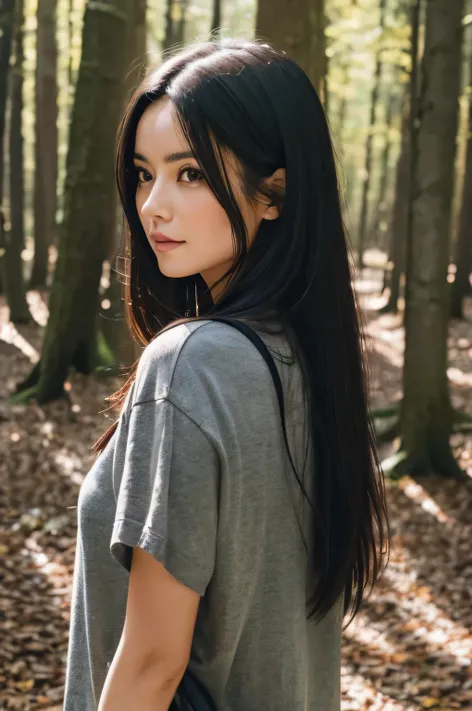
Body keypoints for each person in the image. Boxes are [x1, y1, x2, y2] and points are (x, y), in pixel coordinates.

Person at [63, 37, 390, 711]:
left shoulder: (191, 364)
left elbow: (152, 662)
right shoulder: (304, 360)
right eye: (143, 173)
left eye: (190, 174)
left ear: (273, 192)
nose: (153, 205)